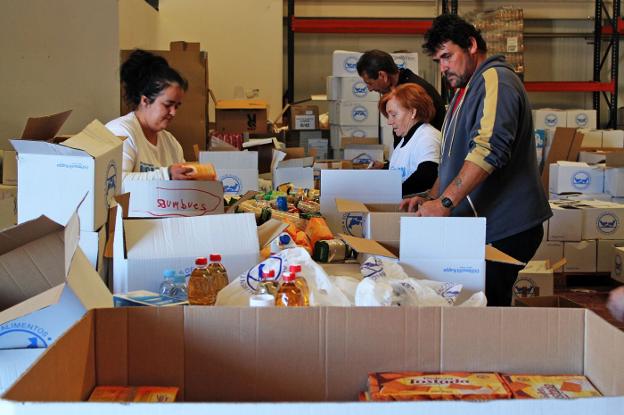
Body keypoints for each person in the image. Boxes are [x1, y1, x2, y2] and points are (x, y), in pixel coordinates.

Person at [400, 14, 552, 307]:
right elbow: (451, 160)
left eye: (447, 56)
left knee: (484, 309)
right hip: (481, 225)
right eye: (438, 61)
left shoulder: (496, 79)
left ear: (471, 45)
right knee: (473, 305)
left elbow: (489, 149)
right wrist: (430, 198)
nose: (443, 67)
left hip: (506, 226)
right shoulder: (463, 92)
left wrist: (445, 203)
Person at [106, 49, 193, 181]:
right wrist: (166, 175)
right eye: (167, 105)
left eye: (176, 106)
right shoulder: (120, 132)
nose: (173, 112)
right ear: (145, 101)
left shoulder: (171, 143)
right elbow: (114, 184)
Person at [356, 49, 446, 132]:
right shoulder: (400, 86)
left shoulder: (413, 92)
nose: (370, 89)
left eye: (370, 83)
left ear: (382, 75)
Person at [379, 83, 440, 196]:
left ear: (413, 112)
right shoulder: (404, 141)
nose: (389, 122)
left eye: (394, 115)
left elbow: (427, 176)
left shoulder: (428, 136)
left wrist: (390, 194)